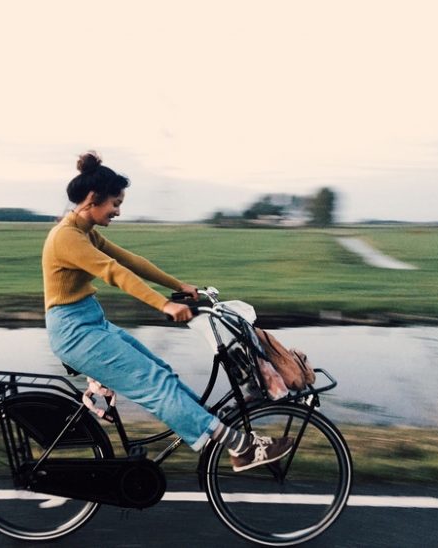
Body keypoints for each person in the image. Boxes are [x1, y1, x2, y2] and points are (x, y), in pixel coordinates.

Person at [42, 151, 292, 471]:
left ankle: (213, 431)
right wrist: (164, 304)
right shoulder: (67, 237)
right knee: (155, 385)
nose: (118, 211)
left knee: (162, 372)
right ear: (93, 199)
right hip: (74, 332)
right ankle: (237, 445)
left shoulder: (82, 230)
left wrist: (179, 285)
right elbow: (115, 273)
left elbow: (131, 261)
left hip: (88, 321)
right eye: (115, 203)